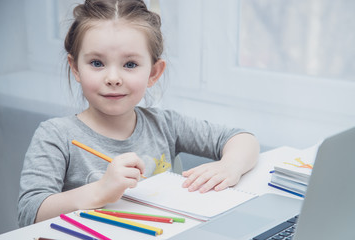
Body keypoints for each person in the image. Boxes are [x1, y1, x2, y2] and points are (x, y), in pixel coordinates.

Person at [18, 0, 259, 227]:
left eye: (130, 64)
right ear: (75, 68)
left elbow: (241, 138)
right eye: (97, 63)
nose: (113, 78)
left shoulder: (165, 124)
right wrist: (100, 191)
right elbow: (30, 212)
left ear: (154, 73)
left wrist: (230, 166)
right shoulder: (56, 135)